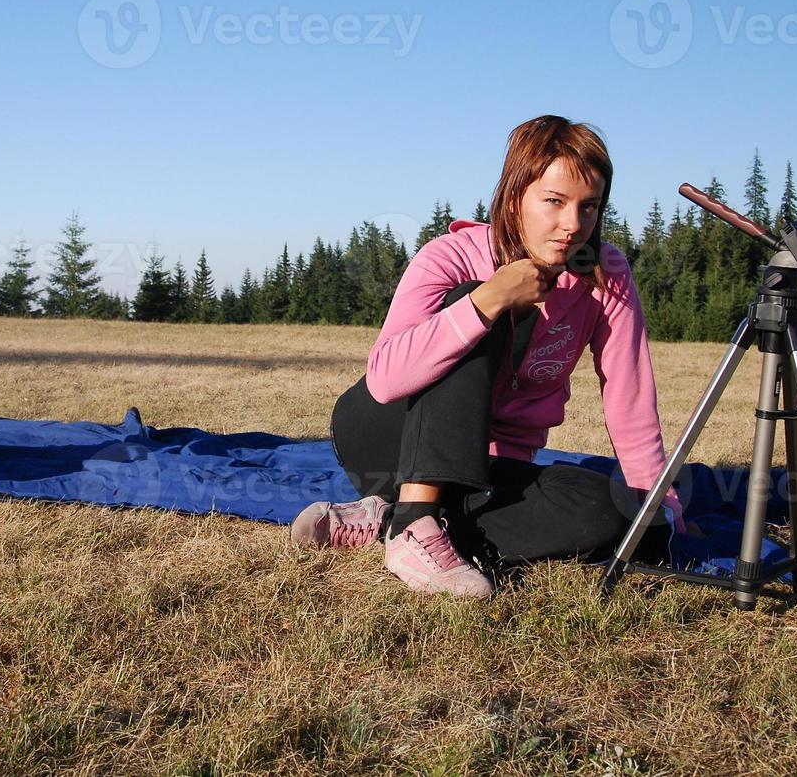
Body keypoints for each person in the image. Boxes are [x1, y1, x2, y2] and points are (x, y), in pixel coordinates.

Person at [291, 115, 683, 597]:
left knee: (614, 512)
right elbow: (387, 378)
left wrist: (654, 500)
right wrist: (489, 300)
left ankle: (394, 519)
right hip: (388, 435)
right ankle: (414, 517)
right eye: (554, 202)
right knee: (472, 301)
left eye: (589, 207)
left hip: (488, 466)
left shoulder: (605, 273)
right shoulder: (449, 255)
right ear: (515, 195)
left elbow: (630, 394)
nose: (573, 225)